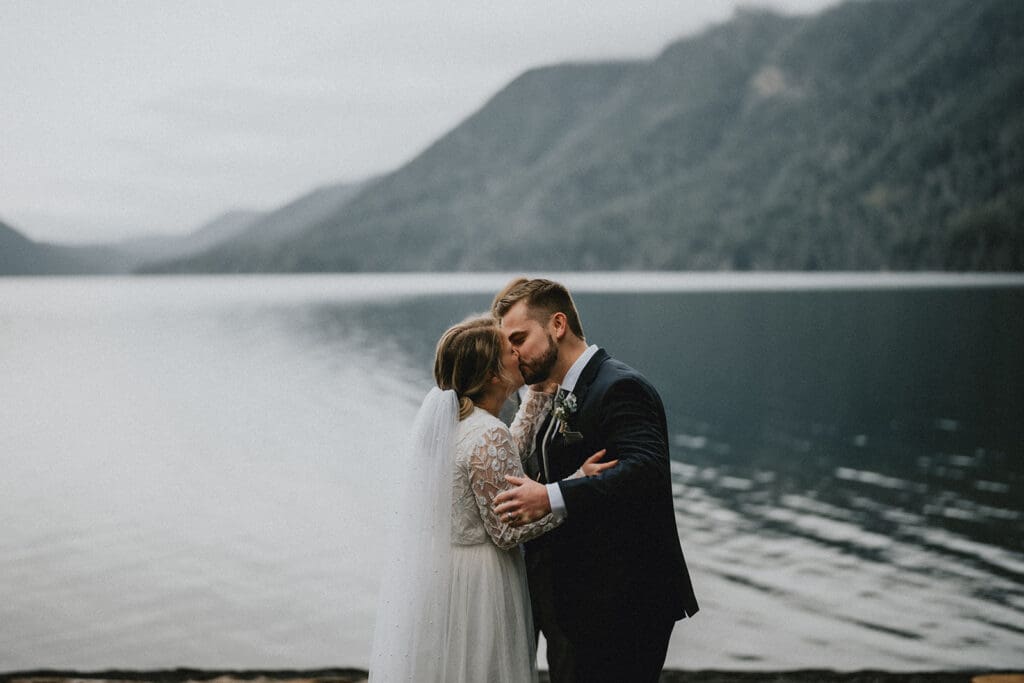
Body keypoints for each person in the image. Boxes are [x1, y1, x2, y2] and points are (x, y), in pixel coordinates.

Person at [368, 315, 614, 683]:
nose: (519, 352)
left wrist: (536, 399)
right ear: (493, 376)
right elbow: (505, 531)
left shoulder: (453, 429)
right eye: (509, 350)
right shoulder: (488, 434)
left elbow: (498, 461)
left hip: (446, 573)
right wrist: (572, 487)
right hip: (481, 582)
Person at [493, 277, 699, 683]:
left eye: (519, 338)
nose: (513, 354)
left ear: (557, 324)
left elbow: (645, 469)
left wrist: (551, 496)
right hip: (577, 603)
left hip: (626, 602)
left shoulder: (621, 387)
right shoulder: (552, 395)